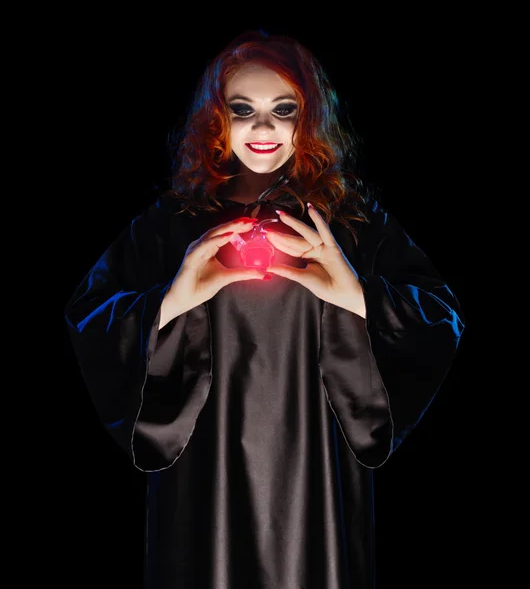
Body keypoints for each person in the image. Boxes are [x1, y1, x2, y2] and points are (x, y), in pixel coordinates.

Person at [64, 29, 465, 589]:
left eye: (284, 110)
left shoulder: (347, 217)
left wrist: (353, 292)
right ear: (216, 121)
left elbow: (439, 315)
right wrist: (176, 298)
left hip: (316, 471)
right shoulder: (174, 219)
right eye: (242, 110)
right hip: (204, 473)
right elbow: (90, 315)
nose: (263, 128)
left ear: (308, 121)